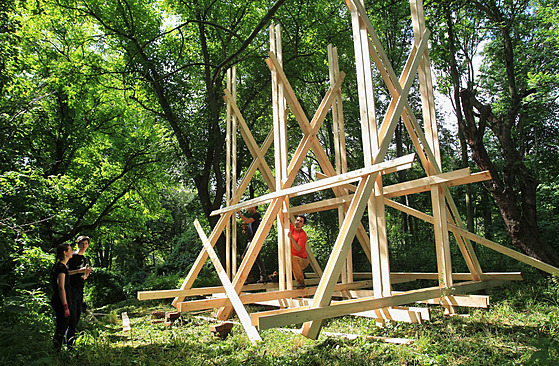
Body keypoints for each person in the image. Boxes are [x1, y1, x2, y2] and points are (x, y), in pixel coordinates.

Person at [66, 235, 92, 346]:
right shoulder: (72, 257)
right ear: (78, 244)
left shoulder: (84, 258)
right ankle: (68, 343)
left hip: (80, 288)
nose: (84, 246)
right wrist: (78, 271)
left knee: (77, 315)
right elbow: (66, 272)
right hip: (71, 288)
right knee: (71, 317)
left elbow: (83, 275)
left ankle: (70, 342)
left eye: (86, 244)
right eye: (82, 244)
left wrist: (86, 274)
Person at [50, 243, 74, 350]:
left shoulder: (63, 266)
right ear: (65, 253)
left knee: (64, 325)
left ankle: (60, 348)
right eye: (70, 250)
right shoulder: (60, 268)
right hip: (60, 301)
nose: (72, 252)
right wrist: (65, 305)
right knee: (61, 326)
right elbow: (61, 287)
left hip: (63, 300)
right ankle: (57, 350)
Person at [238, 206, 268, 283]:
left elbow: (248, 221)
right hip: (252, 240)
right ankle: (263, 276)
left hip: (254, 241)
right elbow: (252, 226)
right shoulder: (254, 217)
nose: (248, 209)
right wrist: (247, 228)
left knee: (245, 257)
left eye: (249, 207)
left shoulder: (256, 215)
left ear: (254, 207)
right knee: (257, 258)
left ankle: (248, 277)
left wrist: (240, 214)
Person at [288, 214, 310, 289]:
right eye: (297, 220)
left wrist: (291, 238)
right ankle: (302, 291)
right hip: (293, 259)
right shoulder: (291, 229)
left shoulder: (302, 234)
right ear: (295, 221)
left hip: (303, 260)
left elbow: (298, 249)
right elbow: (283, 219)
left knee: (293, 259)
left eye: (300, 221)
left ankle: (300, 282)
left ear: (303, 224)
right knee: (291, 259)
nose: (298, 222)